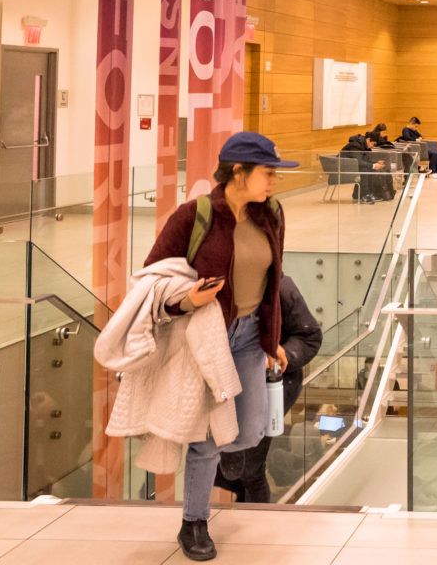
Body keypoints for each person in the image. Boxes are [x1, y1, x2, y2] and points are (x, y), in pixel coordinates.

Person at [142, 131, 297, 561]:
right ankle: (193, 524)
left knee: (249, 430)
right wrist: (187, 301)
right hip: (205, 336)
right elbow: (152, 277)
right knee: (207, 439)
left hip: (249, 335)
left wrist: (271, 338)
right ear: (238, 172)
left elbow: (272, 282)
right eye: (268, 173)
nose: (274, 181)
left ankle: (221, 448)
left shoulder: (272, 214)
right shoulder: (195, 216)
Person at [214, 274, 322, 503]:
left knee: (250, 468)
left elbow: (309, 336)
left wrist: (281, 355)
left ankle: (254, 518)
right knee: (219, 468)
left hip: (271, 384)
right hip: (224, 384)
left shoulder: (280, 286)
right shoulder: (216, 283)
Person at [340, 132, 393, 203]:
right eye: (373, 144)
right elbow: (358, 161)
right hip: (343, 168)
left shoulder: (364, 146)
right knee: (365, 169)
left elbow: (365, 161)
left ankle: (369, 193)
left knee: (370, 168)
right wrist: (373, 165)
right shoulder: (355, 145)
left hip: (353, 167)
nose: (372, 147)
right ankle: (365, 195)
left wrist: (375, 163)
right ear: (368, 140)